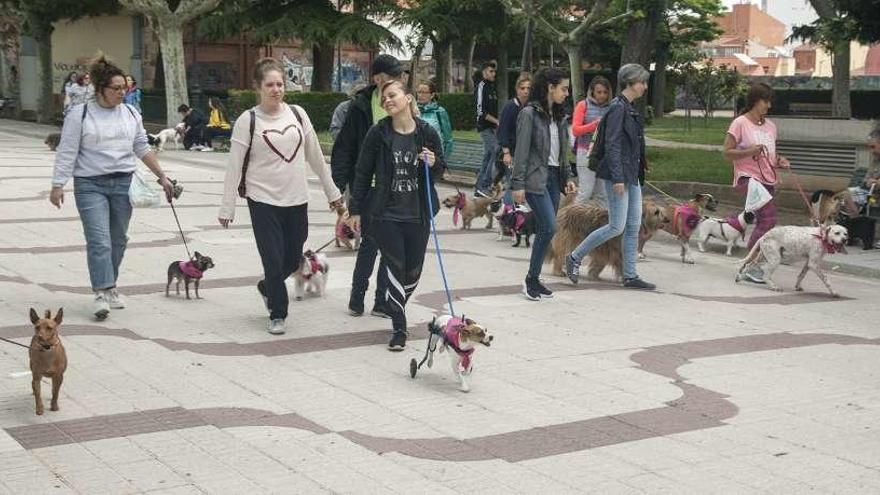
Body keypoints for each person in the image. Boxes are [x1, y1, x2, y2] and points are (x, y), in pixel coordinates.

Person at [218, 57, 342, 335]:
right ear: (258, 87)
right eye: (270, 85)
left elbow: (316, 157)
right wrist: (227, 207)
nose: (276, 89)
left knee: (291, 259)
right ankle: (278, 312)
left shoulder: (297, 114)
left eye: (280, 84)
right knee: (272, 259)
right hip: (262, 200)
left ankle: (267, 287)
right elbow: (234, 164)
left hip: (296, 199)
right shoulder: (247, 121)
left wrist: (332, 192)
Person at [50, 54, 175, 320]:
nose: (122, 93)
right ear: (100, 89)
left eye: (125, 88)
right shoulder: (79, 114)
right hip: (90, 184)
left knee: (118, 240)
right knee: (100, 241)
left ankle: (110, 285)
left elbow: (141, 146)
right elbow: (67, 150)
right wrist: (58, 184)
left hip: (123, 183)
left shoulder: (130, 112)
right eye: (116, 89)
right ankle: (100, 292)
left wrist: (162, 176)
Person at [347, 80, 446, 351]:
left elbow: (440, 171)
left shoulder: (426, 133)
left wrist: (433, 163)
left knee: (413, 270)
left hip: (418, 213)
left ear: (408, 98)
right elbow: (363, 172)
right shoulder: (378, 133)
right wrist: (355, 209)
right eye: (383, 98)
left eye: (392, 95)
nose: (387, 101)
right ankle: (399, 328)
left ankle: (396, 304)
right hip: (386, 214)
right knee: (394, 268)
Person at [563, 64, 656, 291]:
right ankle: (574, 257)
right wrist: (617, 178)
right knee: (616, 226)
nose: (645, 86)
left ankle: (630, 275)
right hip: (619, 176)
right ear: (630, 82)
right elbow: (612, 145)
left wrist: (641, 164)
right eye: (642, 82)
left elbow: (631, 144)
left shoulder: (629, 107)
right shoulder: (617, 109)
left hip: (631, 175)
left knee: (632, 226)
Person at [331, 54, 402, 318]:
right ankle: (357, 297)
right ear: (378, 78)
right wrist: (337, 188)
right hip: (368, 186)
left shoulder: (405, 102)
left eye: (399, 75)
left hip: (397, 189)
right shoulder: (360, 106)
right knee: (369, 243)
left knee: (391, 247)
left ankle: (381, 300)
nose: (396, 80)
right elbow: (344, 148)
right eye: (392, 75)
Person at [510, 67, 577, 301]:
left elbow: (562, 152)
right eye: (564, 88)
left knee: (544, 230)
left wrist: (567, 177)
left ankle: (535, 279)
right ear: (550, 87)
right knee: (549, 226)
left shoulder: (559, 116)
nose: (567, 93)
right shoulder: (529, 114)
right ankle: (530, 279)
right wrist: (517, 184)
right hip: (534, 178)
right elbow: (521, 152)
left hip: (553, 177)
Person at [722, 82, 791, 284]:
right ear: (754, 100)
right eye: (765, 101)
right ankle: (751, 266)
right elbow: (727, 152)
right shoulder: (740, 123)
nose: (768, 106)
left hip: (768, 177)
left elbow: (771, 155)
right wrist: (748, 151)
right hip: (748, 178)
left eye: (770, 101)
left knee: (766, 222)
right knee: (768, 219)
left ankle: (752, 264)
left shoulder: (771, 126)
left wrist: (780, 161)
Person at [572, 76, 612, 206]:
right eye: (599, 92)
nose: (602, 95)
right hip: (585, 152)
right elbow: (575, 130)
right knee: (585, 191)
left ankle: (601, 222)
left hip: (603, 154)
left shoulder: (611, 107)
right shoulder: (583, 105)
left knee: (603, 194)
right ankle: (570, 220)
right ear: (592, 91)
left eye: (605, 92)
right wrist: (594, 125)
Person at [497, 73, 532, 204]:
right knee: (513, 185)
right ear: (517, 89)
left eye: (528, 88)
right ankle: (507, 213)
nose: (525, 91)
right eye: (522, 88)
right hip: (512, 152)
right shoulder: (511, 106)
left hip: (526, 154)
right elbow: (503, 131)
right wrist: (506, 153)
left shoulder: (531, 107)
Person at [473, 61, 499, 198]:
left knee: (488, 155)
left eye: (494, 72)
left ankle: (479, 187)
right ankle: (485, 184)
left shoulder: (492, 87)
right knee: (495, 150)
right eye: (490, 71)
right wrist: (497, 122)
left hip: (492, 127)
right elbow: (481, 111)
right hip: (484, 126)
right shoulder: (481, 86)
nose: (493, 74)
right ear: (484, 72)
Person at [416, 80, 454, 158]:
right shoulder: (412, 110)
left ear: (432, 95)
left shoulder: (440, 112)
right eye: (419, 92)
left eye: (424, 92)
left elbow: (448, 140)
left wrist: (443, 162)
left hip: (434, 158)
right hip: (415, 157)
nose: (420, 95)